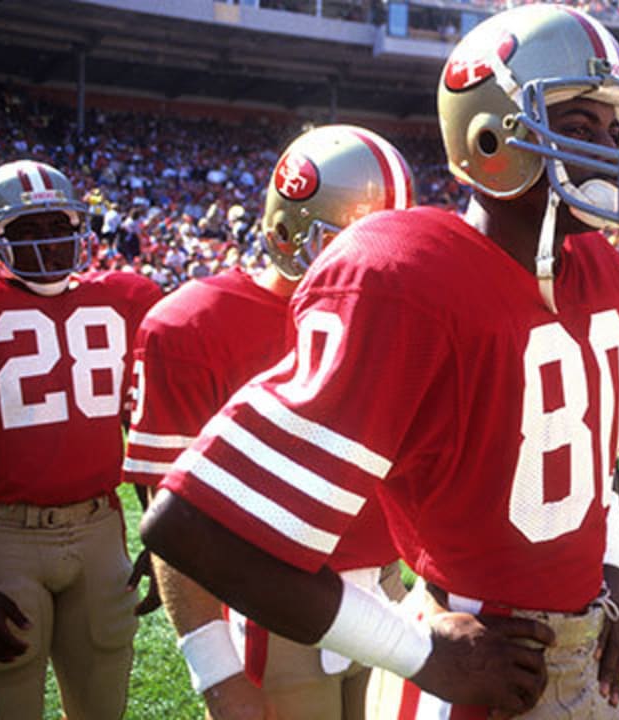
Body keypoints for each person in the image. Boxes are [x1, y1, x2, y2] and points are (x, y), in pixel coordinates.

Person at [139, 4, 619, 718]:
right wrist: (420, 653)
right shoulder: (406, 275)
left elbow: (587, 458)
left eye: (614, 130)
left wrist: (614, 570)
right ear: (488, 135)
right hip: (476, 658)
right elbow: (190, 527)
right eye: (576, 129)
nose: (608, 152)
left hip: (581, 653)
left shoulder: (598, 269)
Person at [123, 125, 415, 718]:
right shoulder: (190, 325)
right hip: (272, 609)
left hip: (390, 592)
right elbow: (174, 522)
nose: (381, 260)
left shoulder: (399, 316)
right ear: (286, 231)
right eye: (357, 239)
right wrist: (217, 675)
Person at [0, 160, 162, 719]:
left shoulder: (129, 297)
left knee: (104, 706)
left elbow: (147, 434)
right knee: (10, 703)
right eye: (25, 230)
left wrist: (162, 538)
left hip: (103, 528)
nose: (48, 243)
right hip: (6, 536)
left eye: (57, 224)